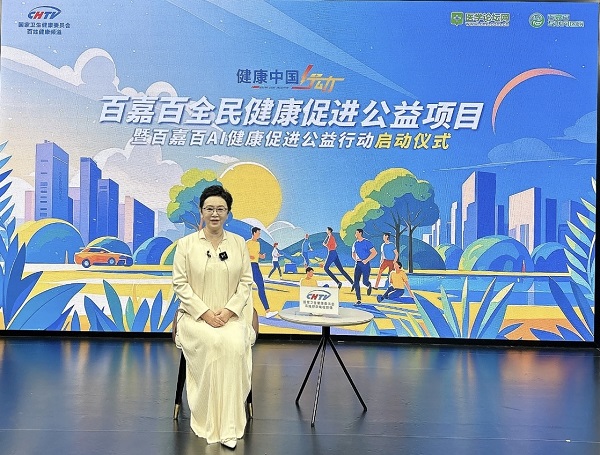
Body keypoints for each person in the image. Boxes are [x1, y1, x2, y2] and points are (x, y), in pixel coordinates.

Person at [172, 185, 255, 449]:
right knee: (213, 342)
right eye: (209, 209)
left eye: (220, 209)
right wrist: (205, 313)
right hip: (195, 318)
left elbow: (246, 283)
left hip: (231, 316)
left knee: (232, 344)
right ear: (201, 211)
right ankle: (208, 419)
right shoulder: (186, 245)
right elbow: (180, 284)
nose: (215, 214)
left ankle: (228, 426)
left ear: (228, 213)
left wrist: (229, 311)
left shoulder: (239, 243)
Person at [247, 227, 278, 318]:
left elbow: (257, 254)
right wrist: (250, 256)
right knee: (247, 288)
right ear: (254, 233)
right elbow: (242, 253)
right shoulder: (247, 243)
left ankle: (267, 311)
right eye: (258, 233)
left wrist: (261, 256)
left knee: (261, 287)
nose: (259, 235)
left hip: (255, 266)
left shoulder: (258, 243)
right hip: (249, 266)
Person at [351, 228, 377, 305]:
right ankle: (358, 299)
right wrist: (356, 259)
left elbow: (374, 252)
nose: (355, 234)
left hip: (365, 264)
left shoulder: (367, 242)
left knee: (365, 282)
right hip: (358, 264)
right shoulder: (355, 243)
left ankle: (369, 285)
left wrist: (366, 260)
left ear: (360, 233)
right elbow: (353, 253)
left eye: (356, 233)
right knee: (356, 282)